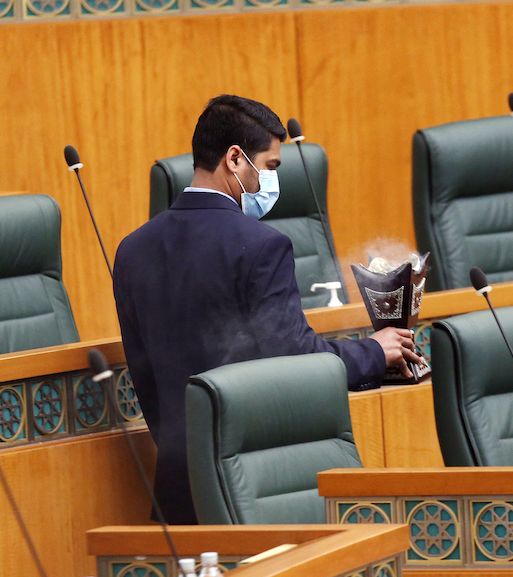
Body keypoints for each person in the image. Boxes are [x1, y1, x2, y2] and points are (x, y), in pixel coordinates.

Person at [112, 94, 423, 525]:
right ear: (236, 160)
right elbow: (293, 357)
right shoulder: (261, 245)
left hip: (179, 486)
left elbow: (145, 378)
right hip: (259, 486)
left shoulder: (131, 251)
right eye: (271, 166)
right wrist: (373, 351)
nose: (272, 181)